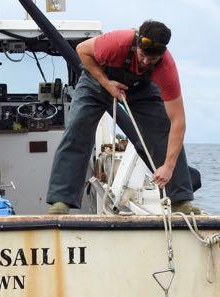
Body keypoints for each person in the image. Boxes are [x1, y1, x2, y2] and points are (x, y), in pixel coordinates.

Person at [47, 20, 201, 215]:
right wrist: (106, 83)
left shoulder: (166, 67)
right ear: (137, 44)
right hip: (97, 81)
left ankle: (180, 200)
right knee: (77, 130)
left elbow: (178, 121)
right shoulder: (117, 42)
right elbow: (82, 50)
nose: (146, 62)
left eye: (152, 59)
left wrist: (169, 167)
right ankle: (61, 201)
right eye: (143, 55)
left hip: (141, 89)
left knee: (162, 130)